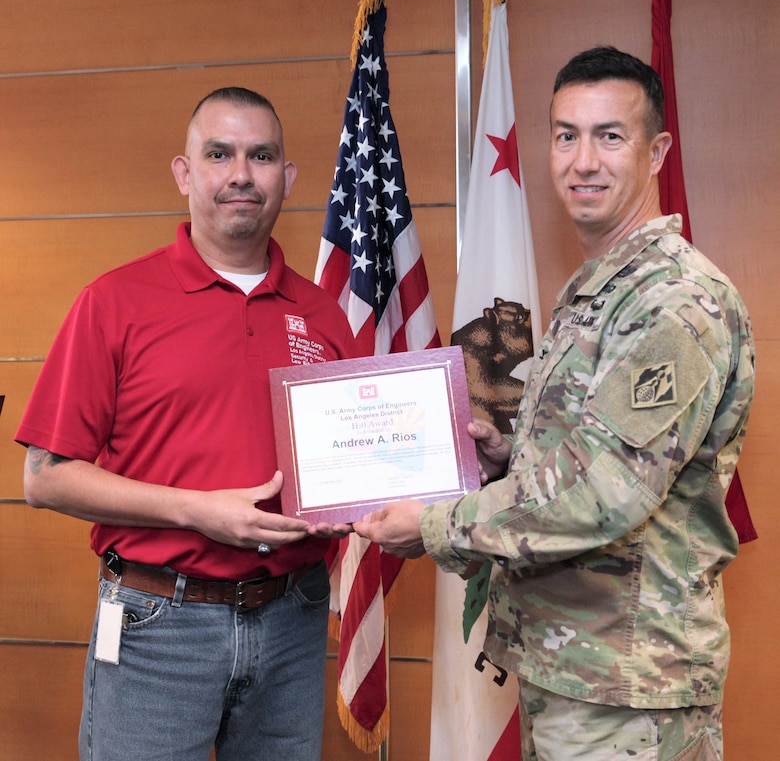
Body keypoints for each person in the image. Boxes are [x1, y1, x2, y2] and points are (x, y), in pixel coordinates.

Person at [354, 47, 755, 760]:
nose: (583, 161)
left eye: (610, 136)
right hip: (572, 673)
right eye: (567, 134)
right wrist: (510, 452)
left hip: (631, 694)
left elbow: (603, 494)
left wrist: (437, 524)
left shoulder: (676, 303)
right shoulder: (594, 289)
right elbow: (591, 452)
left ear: (657, 150)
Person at [16, 87, 357, 761]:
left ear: (285, 177)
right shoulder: (114, 302)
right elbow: (44, 479)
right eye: (219, 153)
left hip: (292, 617)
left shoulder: (324, 314)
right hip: (157, 622)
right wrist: (199, 512)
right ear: (184, 173)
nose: (240, 173)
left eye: (261, 156)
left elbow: (352, 459)